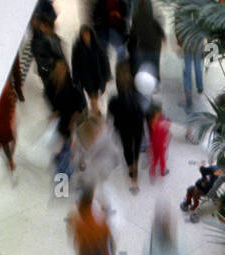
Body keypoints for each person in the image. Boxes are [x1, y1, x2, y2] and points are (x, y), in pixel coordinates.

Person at [108, 62, 146, 192]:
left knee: (127, 147)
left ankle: (130, 168)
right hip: (137, 124)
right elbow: (143, 109)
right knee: (136, 147)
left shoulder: (115, 99)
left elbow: (111, 114)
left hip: (123, 126)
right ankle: (135, 167)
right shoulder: (138, 94)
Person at [71, 25, 112, 116]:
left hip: (97, 76)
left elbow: (104, 60)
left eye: (87, 34)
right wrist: (76, 79)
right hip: (86, 78)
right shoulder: (77, 48)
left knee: (95, 95)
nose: (86, 36)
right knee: (92, 95)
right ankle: (95, 111)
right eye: (83, 34)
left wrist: (106, 75)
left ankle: (95, 110)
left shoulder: (97, 46)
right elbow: (75, 64)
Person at [0, 75, 19, 173]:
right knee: (7, 141)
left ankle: (10, 159)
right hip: (2, 123)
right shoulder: (2, 92)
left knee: (7, 141)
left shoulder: (0, 91)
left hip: (1, 122)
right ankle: (10, 160)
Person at [177, 12, 205, 110]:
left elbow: (179, 24)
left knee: (187, 67)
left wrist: (180, 40)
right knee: (198, 65)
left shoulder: (184, 7)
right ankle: (200, 87)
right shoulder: (200, 6)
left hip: (187, 41)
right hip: (198, 41)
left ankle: (188, 91)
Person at [147, 103, 171, 178]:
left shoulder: (150, 122)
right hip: (161, 144)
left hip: (153, 144)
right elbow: (168, 128)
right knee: (162, 157)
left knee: (155, 157)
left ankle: (152, 170)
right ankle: (163, 171)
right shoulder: (162, 122)